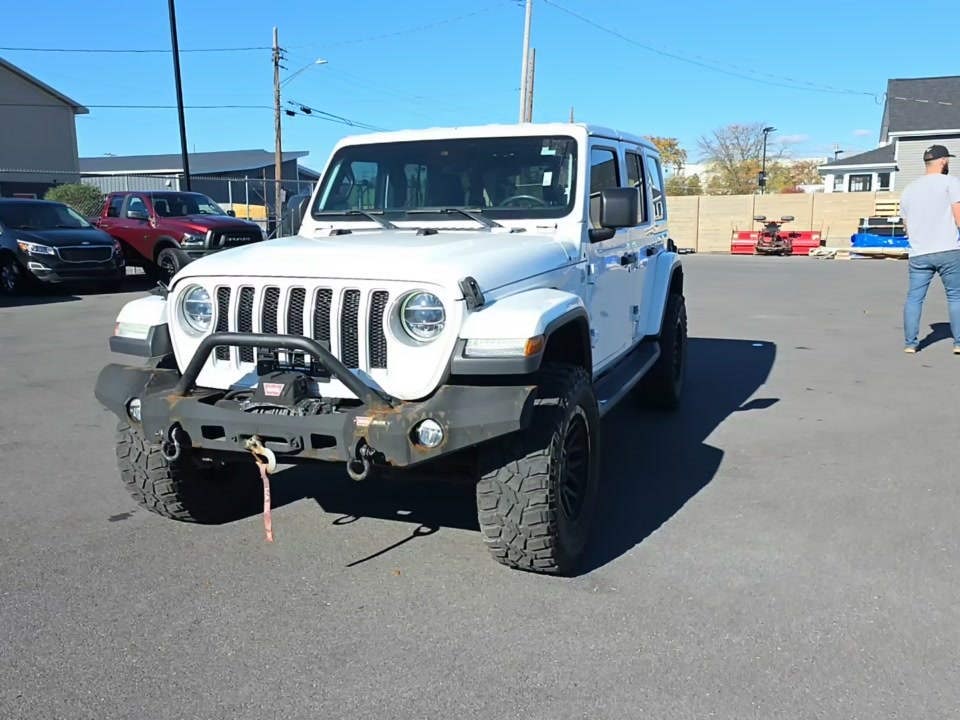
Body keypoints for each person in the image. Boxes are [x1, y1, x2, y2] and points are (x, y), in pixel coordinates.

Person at [899, 144, 960, 353]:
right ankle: (958, 342)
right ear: (943, 161)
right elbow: (958, 217)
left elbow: (906, 226)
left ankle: (910, 343)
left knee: (915, 298)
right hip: (948, 249)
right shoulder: (951, 183)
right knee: (955, 296)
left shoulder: (909, 189)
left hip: (919, 252)